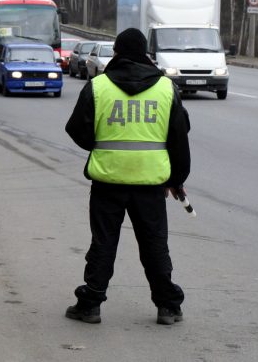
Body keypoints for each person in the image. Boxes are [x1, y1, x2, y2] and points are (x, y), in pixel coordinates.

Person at [64, 27, 190, 325]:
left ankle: (90, 304)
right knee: (154, 244)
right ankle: (168, 306)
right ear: (146, 53)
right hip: (151, 182)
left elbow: (76, 129)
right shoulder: (166, 88)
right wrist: (176, 179)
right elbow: (179, 137)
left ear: (117, 53)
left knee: (104, 242)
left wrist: (102, 145)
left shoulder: (98, 87)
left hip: (108, 180)